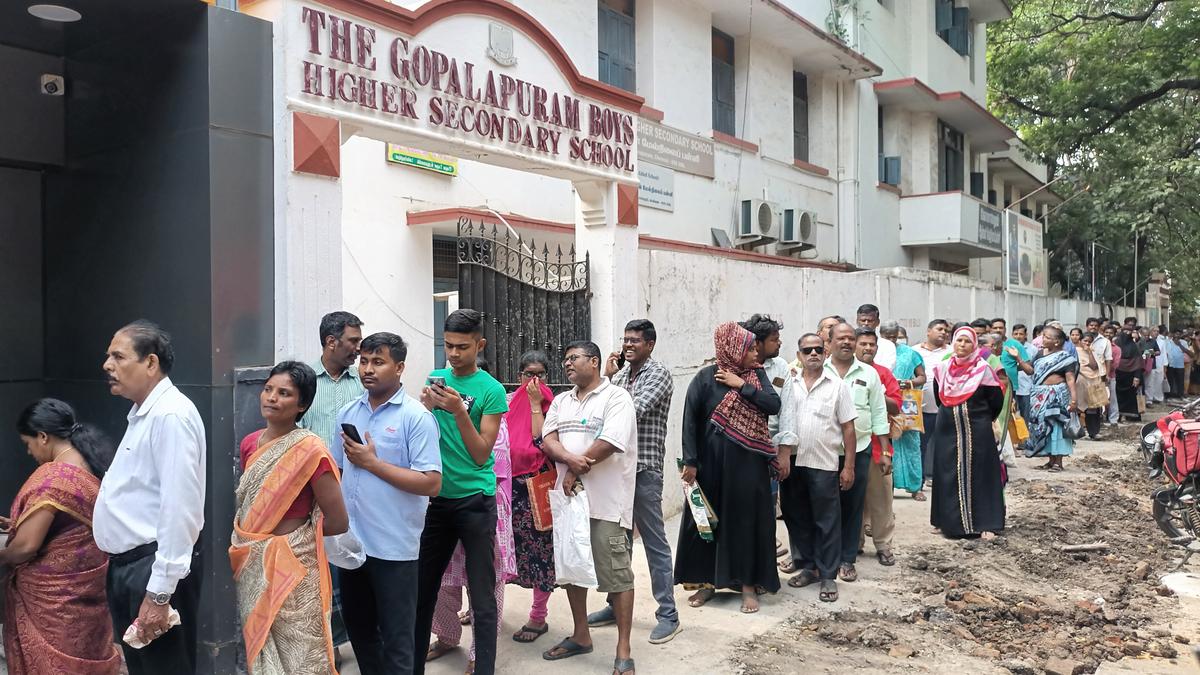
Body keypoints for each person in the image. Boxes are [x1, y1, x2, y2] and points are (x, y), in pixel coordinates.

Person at [95, 320, 206, 674]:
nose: (107, 365)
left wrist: (159, 593)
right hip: (132, 567)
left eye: (118, 356)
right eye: (108, 356)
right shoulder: (146, 413)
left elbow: (180, 509)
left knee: (164, 667)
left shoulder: (170, 415)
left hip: (153, 567)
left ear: (151, 363)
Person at [231, 361, 350, 674]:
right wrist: (262, 548)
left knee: (302, 658)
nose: (271, 397)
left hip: (296, 568)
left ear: (302, 404)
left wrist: (291, 545)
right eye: (268, 389)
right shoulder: (249, 444)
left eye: (284, 393)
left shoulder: (311, 450)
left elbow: (338, 520)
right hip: (252, 562)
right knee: (261, 650)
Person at [335, 332, 442, 675]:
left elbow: (432, 483)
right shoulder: (348, 413)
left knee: (398, 641)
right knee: (361, 633)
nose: (368, 369)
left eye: (378, 362)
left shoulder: (416, 417)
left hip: (394, 549)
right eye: (364, 361)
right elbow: (337, 472)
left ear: (399, 368)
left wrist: (373, 464)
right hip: (353, 546)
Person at [415, 309, 509, 675]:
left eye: (462, 347)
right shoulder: (436, 379)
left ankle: (484, 666)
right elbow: (422, 433)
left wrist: (456, 410)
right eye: (448, 346)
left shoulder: (491, 390)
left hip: (475, 500)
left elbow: (482, 452)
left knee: (482, 594)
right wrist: (425, 407)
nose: (453, 354)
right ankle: (413, 663)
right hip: (437, 498)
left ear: (479, 345)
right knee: (424, 589)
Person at [539, 341, 639, 675]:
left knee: (617, 574)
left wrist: (579, 466)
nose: (566, 364)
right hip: (569, 501)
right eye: (565, 359)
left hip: (606, 502)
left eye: (573, 359)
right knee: (572, 568)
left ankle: (623, 650)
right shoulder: (562, 401)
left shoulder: (616, 398)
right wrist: (568, 461)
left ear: (594, 362)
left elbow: (611, 441)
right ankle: (581, 635)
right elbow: (548, 437)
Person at [3, 399, 120, 675]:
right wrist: (19, 522)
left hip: (51, 606)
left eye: (27, 443)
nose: (29, 452)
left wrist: (5, 554)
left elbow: (26, 546)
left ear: (43, 437)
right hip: (90, 594)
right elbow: (70, 526)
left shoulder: (54, 477)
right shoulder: (92, 464)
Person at [675, 322, 782, 613]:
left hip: (749, 470)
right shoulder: (705, 378)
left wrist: (742, 386)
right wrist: (691, 462)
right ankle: (706, 584)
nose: (755, 353)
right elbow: (690, 422)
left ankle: (748, 586)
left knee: (746, 524)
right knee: (706, 524)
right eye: (749, 348)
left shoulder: (756, 376)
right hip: (710, 469)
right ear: (733, 349)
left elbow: (774, 405)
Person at [592, 320, 679, 644]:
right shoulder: (623, 376)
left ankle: (668, 614)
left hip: (644, 469)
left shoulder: (658, 374)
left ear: (650, 344)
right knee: (619, 543)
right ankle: (615, 605)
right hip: (618, 472)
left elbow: (629, 411)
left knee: (654, 544)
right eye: (625, 339)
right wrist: (612, 377)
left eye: (635, 341)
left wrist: (609, 385)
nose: (628, 345)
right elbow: (600, 409)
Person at [428, 357, 516, 674]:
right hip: (445, 502)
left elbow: (488, 459)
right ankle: (447, 635)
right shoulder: (439, 414)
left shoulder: (497, 421)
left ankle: (480, 652)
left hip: (486, 506)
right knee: (442, 583)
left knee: (485, 588)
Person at [299, 311, 363, 661]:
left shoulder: (361, 382)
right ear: (331, 342)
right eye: (353, 341)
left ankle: (359, 632)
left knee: (355, 562)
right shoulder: (306, 381)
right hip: (317, 492)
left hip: (360, 488)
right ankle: (329, 641)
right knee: (322, 567)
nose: (358, 348)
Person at [774, 333, 857, 603]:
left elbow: (848, 428)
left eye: (818, 349)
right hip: (792, 463)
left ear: (826, 352)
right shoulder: (790, 383)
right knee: (796, 517)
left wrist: (849, 467)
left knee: (826, 521)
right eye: (806, 350)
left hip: (824, 464)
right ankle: (807, 566)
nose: (813, 354)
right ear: (798, 355)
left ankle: (828, 576)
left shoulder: (837, 386)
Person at [823, 323, 889, 582]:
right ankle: (822, 558)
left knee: (852, 506)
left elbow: (879, 413)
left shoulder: (869, 373)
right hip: (824, 450)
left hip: (859, 449)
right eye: (841, 338)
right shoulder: (819, 368)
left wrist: (885, 450)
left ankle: (847, 559)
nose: (847, 342)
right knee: (825, 506)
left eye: (851, 338)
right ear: (830, 341)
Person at [930, 326, 1006, 540]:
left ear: (974, 346)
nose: (962, 345)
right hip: (948, 429)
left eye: (967, 342)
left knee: (981, 474)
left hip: (977, 430)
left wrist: (978, 418)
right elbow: (939, 398)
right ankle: (946, 522)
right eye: (959, 341)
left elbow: (995, 401)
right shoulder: (942, 368)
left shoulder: (983, 370)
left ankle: (985, 523)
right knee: (947, 472)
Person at [506, 351, 557, 645]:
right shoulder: (509, 401)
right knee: (502, 548)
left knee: (540, 552)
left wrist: (537, 404)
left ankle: (538, 617)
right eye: (528, 374)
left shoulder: (554, 403)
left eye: (539, 374)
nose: (534, 380)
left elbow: (542, 443)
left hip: (537, 487)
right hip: (507, 487)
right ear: (519, 376)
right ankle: (485, 609)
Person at [854, 329, 902, 566]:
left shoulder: (883, 374)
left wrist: (874, 395)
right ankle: (854, 544)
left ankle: (883, 545)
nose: (868, 348)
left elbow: (896, 406)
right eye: (863, 343)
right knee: (852, 499)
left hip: (877, 447)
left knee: (881, 498)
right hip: (849, 448)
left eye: (872, 345)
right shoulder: (844, 372)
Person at [1010, 326, 1079, 471]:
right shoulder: (1040, 354)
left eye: (1047, 337)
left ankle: (1058, 462)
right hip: (1039, 395)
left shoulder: (1066, 358)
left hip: (1057, 396)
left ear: (1056, 342)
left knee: (1057, 427)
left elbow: (1070, 380)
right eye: (1043, 336)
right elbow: (1030, 371)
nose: (1043, 339)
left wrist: (1074, 400)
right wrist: (1018, 358)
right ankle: (1050, 460)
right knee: (1042, 427)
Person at [880, 322, 927, 500]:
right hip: (884, 401)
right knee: (885, 442)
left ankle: (916, 487)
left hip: (906, 403)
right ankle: (887, 487)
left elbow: (922, 377)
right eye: (888, 336)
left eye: (895, 336)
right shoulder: (877, 351)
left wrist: (908, 383)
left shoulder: (910, 353)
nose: (892, 340)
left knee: (911, 443)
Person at [911, 319, 950, 486]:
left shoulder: (952, 352)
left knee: (944, 446)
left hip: (944, 408)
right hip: (921, 408)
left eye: (945, 330)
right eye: (939, 329)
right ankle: (919, 481)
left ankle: (939, 478)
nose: (943, 332)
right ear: (928, 331)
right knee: (920, 446)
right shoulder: (914, 351)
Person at [1075, 333, 1110, 440]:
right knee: (1077, 408)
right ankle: (1075, 432)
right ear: (1080, 341)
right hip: (1079, 382)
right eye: (1085, 341)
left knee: (1093, 409)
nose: (1087, 343)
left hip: (1092, 382)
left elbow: (1094, 366)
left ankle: (1094, 432)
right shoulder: (1074, 351)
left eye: (1089, 342)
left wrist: (1090, 352)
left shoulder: (1093, 352)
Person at [1113, 327, 1145, 422]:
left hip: (1131, 376)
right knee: (1117, 396)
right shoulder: (1115, 344)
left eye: (1129, 332)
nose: (1127, 333)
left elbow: (1138, 362)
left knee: (1131, 396)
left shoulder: (1134, 346)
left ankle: (1131, 416)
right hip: (1117, 375)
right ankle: (1118, 415)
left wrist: (1137, 377)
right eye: (1125, 331)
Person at [857, 304, 896, 369]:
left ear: (878, 322)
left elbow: (886, 370)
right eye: (863, 320)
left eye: (870, 321)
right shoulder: (851, 343)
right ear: (857, 321)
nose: (866, 323)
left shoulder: (888, 346)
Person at [1104, 323, 1123, 426]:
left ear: (1114, 334)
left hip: (1111, 376)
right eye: (1106, 332)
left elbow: (1115, 364)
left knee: (1112, 397)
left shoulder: (1116, 349)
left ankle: (1113, 419)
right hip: (1096, 376)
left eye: (1111, 333)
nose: (1108, 334)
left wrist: (1106, 372)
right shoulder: (1098, 345)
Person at [1165, 330, 1186, 400]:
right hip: (1170, 364)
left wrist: (1179, 345)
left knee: (1180, 380)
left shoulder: (1184, 342)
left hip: (1180, 364)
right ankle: (1170, 395)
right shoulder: (1168, 342)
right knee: (1170, 379)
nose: (1177, 336)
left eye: (1179, 334)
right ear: (1173, 334)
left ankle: (1180, 394)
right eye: (1176, 334)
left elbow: (1188, 353)